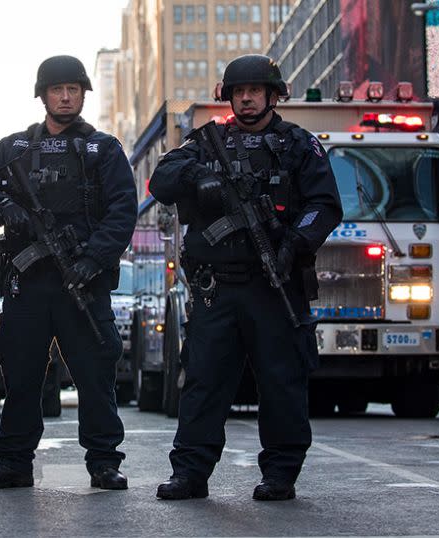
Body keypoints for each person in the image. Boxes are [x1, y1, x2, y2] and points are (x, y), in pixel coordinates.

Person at [149, 54, 342, 501]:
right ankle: (191, 474)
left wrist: (295, 241)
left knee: (281, 381)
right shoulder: (205, 142)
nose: (247, 99)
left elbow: (325, 204)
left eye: (256, 91)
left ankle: (280, 474)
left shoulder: (297, 144)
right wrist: (198, 175)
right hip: (217, 287)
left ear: (273, 96)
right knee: (203, 381)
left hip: (274, 285)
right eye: (239, 92)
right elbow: (161, 181)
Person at [0, 55, 138, 490]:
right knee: (21, 375)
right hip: (28, 283)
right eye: (58, 89)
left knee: (95, 376)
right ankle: (14, 463)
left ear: (83, 94)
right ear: (42, 95)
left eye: (73, 89)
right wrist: (4, 207)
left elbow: (122, 212)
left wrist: (92, 260)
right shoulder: (14, 148)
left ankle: (103, 462)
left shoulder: (103, 149)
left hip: (82, 282)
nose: (66, 97)